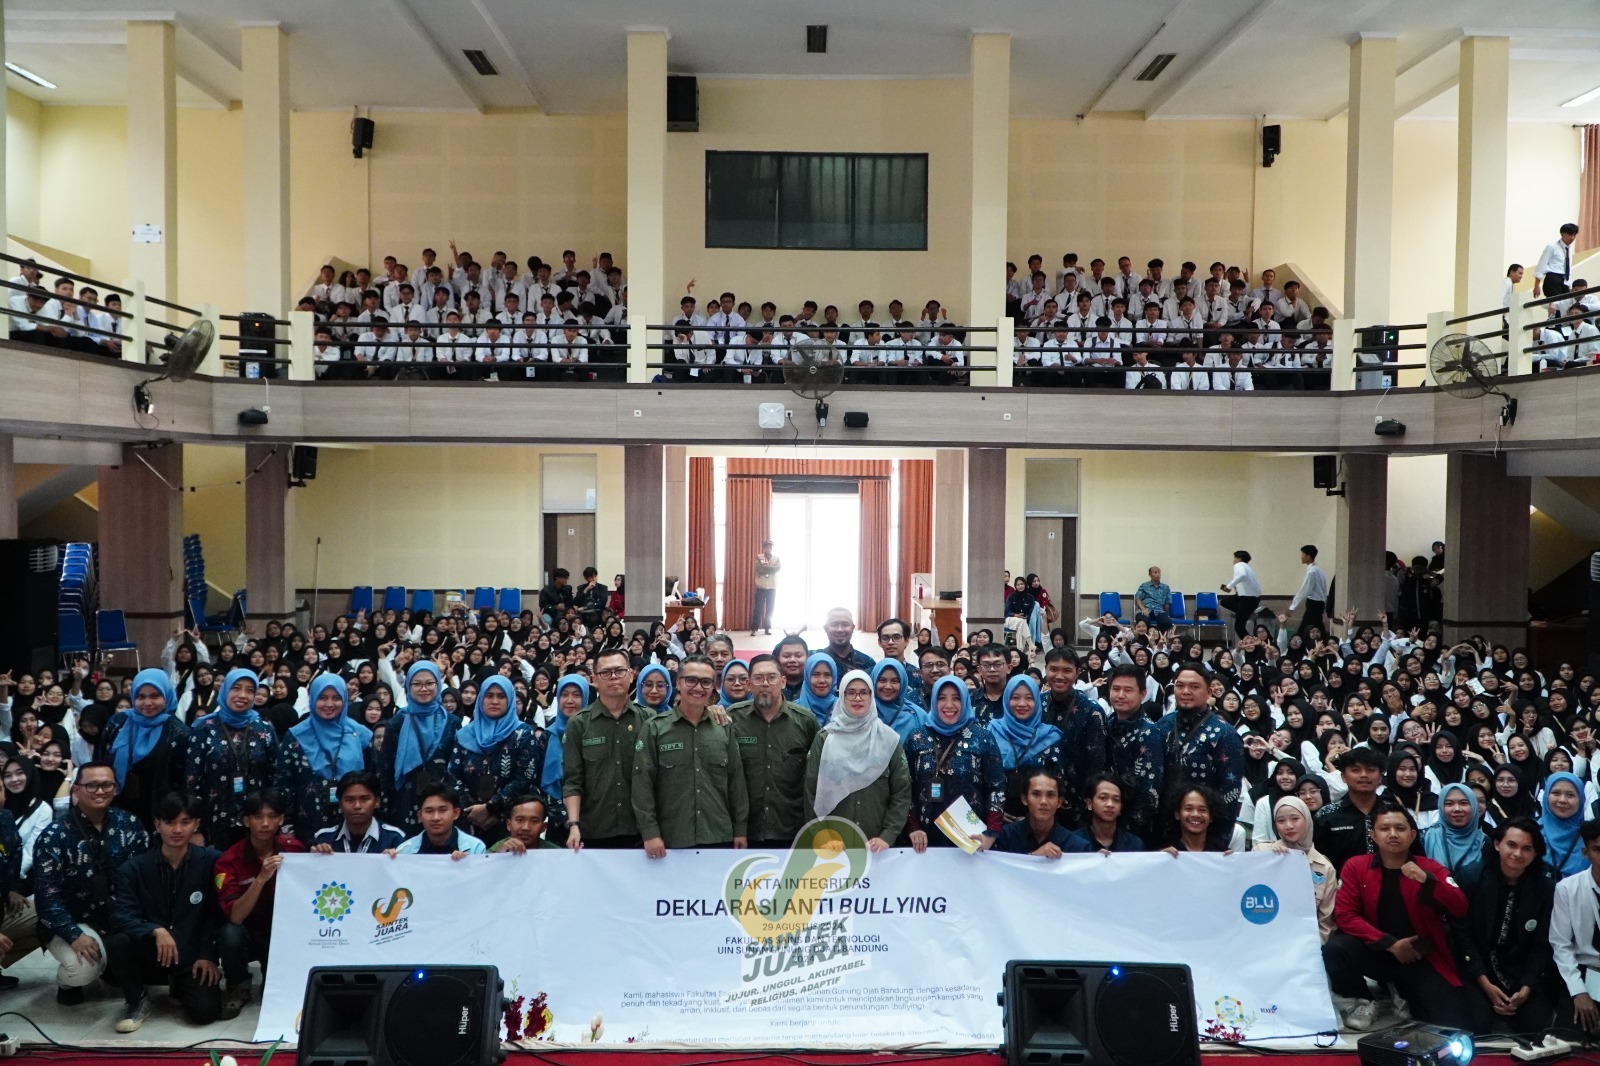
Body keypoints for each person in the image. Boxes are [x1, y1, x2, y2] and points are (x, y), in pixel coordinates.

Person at [1322, 801, 1470, 1031]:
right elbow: (1346, 916)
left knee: (1450, 1022)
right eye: (1384, 828)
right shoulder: (1356, 866)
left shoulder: (1430, 868)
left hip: (1418, 955)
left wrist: (1427, 881)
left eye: (1400, 828)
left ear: (1412, 835)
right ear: (1373, 835)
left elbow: (1460, 907)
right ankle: (1363, 1000)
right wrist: (1390, 944)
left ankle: (1399, 991)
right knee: (1335, 949)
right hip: (1376, 951)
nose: (1392, 834)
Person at [34, 762, 150, 1006]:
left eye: (107, 785)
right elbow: (47, 897)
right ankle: (66, 982)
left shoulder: (130, 824)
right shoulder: (53, 836)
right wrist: (73, 935)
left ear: (116, 788)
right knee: (83, 968)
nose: (100, 791)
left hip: (120, 917)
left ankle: (111, 963)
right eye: (92, 785)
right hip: (73, 920)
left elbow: (144, 878)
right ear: (76, 790)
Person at [107, 792, 223, 1032]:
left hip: (190, 954)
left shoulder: (213, 861)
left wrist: (207, 954)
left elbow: (215, 915)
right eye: (170, 822)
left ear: (196, 824)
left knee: (206, 1013)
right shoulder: (133, 868)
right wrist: (155, 930)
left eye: (185, 822)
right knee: (119, 941)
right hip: (150, 952)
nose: (177, 829)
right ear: (157, 825)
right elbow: (123, 916)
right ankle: (136, 999)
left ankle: (179, 985)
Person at [632, 655, 748, 856]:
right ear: (678, 683)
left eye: (706, 682)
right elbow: (642, 785)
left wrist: (740, 829)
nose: (698, 687)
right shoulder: (655, 728)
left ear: (713, 687)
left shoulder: (723, 727)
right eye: (691, 680)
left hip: (718, 835)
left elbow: (736, 780)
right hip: (671, 838)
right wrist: (650, 833)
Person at [1453, 817, 1556, 1035]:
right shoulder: (1470, 878)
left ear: (1536, 853)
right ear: (1497, 844)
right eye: (1511, 845)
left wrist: (1527, 988)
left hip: (1520, 970)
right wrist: (1485, 983)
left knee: (1539, 1028)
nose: (1518, 854)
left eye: (1527, 848)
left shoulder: (1545, 887)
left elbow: (1542, 944)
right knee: (1478, 1025)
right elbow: (1462, 936)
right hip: (1478, 969)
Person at [215, 789, 306, 1016]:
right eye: (257, 817)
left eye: (272, 816)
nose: (265, 824)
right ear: (246, 821)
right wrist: (261, 878)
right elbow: (236, 916)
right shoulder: (228, 860)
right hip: (246, 932)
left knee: (273, 1000)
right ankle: (238, 986)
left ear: (281, 820)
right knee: (229, 933)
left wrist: (321, 855)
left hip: (280, 933)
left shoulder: (294, 849)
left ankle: (276, 978)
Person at [806, 665, 909, 853]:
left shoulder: (888, 739)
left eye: (864, 692)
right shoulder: (825, 738)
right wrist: (822, 835)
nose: (858, 698)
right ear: (842, 696)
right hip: (833, 847)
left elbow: (901, 792)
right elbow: (811, 790)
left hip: (878, 849)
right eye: (851, 692)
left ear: (872, 696)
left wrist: (888, 835)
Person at [562, 648, 652, 851]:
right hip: (594, 830)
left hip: (640, 831)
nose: (613, 677)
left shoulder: (648, 719)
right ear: (594, 679)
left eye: (619, 671)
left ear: (631, 675)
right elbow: (573, 779)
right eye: (605, 672)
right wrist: (574, 825)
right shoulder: (579, 723)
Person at [904, 677, 1005, 851]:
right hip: (924, 841)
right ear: (934, 701)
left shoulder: (982, 738)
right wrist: (913, 827)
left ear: (965, 701)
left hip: (971, 839)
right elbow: (905, 788)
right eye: (942, 698)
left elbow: (996, 788)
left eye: (956, 698)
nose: (949, 705)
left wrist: (991, 832)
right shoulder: (916, 738)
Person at [184, 667, 279, 847]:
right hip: (213, 820)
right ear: (225, 689)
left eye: (249, 690)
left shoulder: (264, 730)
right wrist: (195, 828)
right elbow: (191, 782)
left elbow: (274, 777)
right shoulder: (204, 728)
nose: (242, 695)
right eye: (236, 688)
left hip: (256, 821)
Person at [1150, 667, 1243, 848]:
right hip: (1161, 833)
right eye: (1180, 686)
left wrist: (1217, 844)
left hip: (1204, 837)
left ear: (1209, 692)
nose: (1186, 691)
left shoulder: (1225, 734)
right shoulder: (1161, 726)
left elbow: (1229, 795)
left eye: (1194, 686)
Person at [732, 655, 819, 848]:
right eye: (758, 678)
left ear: (783, 682)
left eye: (771, 677)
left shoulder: (805, 721)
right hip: (746, 832)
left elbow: (817, 776)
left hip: (793, 829)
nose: (765, 684)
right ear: (749, 684)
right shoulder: (733, 719)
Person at [277, 674, 374, 845]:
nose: (329, 704)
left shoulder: (360, 735)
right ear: (313, 698)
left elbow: (373, 780)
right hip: (307, 828)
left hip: (355, 825)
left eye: (336, 698)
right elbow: (284, 785)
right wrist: (287, 827)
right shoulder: (295, 736)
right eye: (322, 698)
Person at [448, 675, 542, 848]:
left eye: (501, 696)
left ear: (510, 700)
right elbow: (453, 775)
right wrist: (473, 811)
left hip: (509, 823)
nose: (495, 701)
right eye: (489, 696)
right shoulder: (464, 735)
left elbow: (525, 778)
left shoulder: (522, 734)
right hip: (469, 821)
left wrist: (490, 808)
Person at [102, 668, 191, 830]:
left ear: (167, 696)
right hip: (117, 806)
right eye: (141, 696)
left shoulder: (179, 733)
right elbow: (101, 759)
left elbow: (182, 781)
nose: (147, 703)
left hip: (159, 813)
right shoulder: (117, 723)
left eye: (155, 696)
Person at [379, 661, 460, 835]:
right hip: (404, 803)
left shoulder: (452, 722)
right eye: (416, 684)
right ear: (408, 686)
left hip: (443, 802)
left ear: (438, 684)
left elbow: (456, 767)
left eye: (429, 683)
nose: (424, 689)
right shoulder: (397, 723)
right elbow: (385, 769)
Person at [1041, 651, 1109, 827]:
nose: (1059, 676)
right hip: (1038, 802)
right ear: (1045, 669)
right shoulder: (1035, 705)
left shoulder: (1091, 711)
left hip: (1076, 807)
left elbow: (1096, 765)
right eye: (1053, 669)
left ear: (1077, 673)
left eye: (1067, 670)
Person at [1253, 795, 1337, 941]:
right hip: (1264, 938)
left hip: (1304, 943)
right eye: (1281, 821)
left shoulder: (1324, 867)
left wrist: (1312, 948)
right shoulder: (1261, 852)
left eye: (1295, 819)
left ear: (1307, 819)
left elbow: (1326, 923)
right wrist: (1270, 859)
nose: (1288, 826)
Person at [1551, 820, 1600, 1039]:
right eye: (1597, 850)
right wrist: (1578, 991)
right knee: (1569, 1041)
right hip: (1584, 970)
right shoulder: (1567, 888)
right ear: (1585, 853)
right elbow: (1561, 944)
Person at [987, 675, 1062, 819]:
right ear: (1006, 699)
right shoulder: (991, 732)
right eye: (1015, 697)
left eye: (1029, 698)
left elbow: (1057, 783)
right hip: (996, 819)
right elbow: (982, 779)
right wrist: (995, 811)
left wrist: (1033, 817)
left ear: (1037, 701)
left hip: (1039, 821)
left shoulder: (1050, 737)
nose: (1022, 704)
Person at [1105, 665, 1162, 841]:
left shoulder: (1149, 733)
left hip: (1132, 831)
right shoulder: (1108, 724)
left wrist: (1129, 833)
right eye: (1116, 689)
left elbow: (1149, 792)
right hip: (1104, 820)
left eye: (1128, 690)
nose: (1120, 695)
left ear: (1142, 694)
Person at [1314, 746, 1385, 874]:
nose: (1364, 775)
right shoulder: (1326, 815)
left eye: (1370, 770)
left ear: (1380, 777)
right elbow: (1317, 861)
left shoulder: (1394, 813)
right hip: (1340, 885)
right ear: (1343, 777)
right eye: (1356, 770)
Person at [309, 771, 405, 853]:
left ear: (377, 802)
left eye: (364, 799)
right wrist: (315, 858)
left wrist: (393, 862)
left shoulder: (394, 839)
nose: (357, 806)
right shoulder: (323, 839)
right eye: (349, 800)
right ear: (340, 804)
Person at [985, 769, 1074, 856]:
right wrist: (1034, 856)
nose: (1043, 801)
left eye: (1050, 795)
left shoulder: (1075, 846)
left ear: (1059, 802)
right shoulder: (1005, 837)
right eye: (1036, 794)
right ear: (1024, 799)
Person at [391, 784, 487, 858]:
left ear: (456, 813)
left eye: (443, 810)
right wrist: (387, 861)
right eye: (429, 811)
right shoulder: (404, 851)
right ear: (420, 816)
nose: (436, 818)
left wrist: (466, 864)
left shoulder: (475, 848)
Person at [1064, 774, 1144, 854]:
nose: (1110, 804)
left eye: (1116, 800)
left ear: (1121, 808)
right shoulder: (1072, 842)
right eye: (1103, 798)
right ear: (1089, 803)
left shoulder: (1134, 844)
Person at [1421, 782, 1485, 878]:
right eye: (1449, 804)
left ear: (1474, 807)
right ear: (1441, 807)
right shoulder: (1425, 837)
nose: (1457, 809)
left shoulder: (1484, 842)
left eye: (1464, 803)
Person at [1540, 771, 1588, 877]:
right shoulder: (1532, 832)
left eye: (1570, 795)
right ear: (1546, 796)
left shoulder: (1589, 837)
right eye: (1556, 793)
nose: (1562, 800)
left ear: (1581, 800)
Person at [870, 659, 924, 741]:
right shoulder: (863, 714)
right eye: (882, 680)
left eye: (895, 681)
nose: (888, 686)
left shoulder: (917, 717)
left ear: (903, 683)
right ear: (873, 681)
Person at [1217, 549, 1263, 640]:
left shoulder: (1239, 565)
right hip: (1252, 598)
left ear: (1239, 559)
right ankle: (1248, 614)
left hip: (1247, 599)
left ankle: (1252, 644)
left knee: (1239, 627)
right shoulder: (1248, 568)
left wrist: (1229, 586)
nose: (1233, 560)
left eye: (1234, 558)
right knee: (1225, 602)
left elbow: (1242, 575)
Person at [491, 795, 560, 853]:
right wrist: (499, 857)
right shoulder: (495, 851)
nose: (526, 827)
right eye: (520, 820)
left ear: (543, 827)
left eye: (534, 821)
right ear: (509, 824)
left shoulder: (555, 853)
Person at [1288, 545, 1329, 637]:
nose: (1301, 557)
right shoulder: (1319, 571)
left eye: (1302, 554)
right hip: (1319, 604)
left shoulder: (1312, 572)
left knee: (1304, 630)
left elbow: (1304, 590)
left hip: (1313, 605)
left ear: (1308, 557)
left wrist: (1292, 607)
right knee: (1317, 627)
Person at [1533, 223, 1580, 300]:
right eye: (1570, 234)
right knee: (1554, 304)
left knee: (1565, 304)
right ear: (1562, 234)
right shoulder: (1552, 247)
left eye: (1574, 235)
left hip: (1564, 280)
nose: (1572, 238)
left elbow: (1568, 267)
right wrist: (1536, 286)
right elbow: (1541, 265)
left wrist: (1568, 284)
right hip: (1553, 278)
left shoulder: (1569, 249)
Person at [822, 608, 875, 675]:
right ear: (825, 628)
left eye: (845, 624)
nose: (840, 630)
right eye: (834, 624)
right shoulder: (815, 659)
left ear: (853, 628)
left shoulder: (867, 663)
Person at [795, 652, 839, 727]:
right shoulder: (794, 710)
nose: (822, 680)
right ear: (807, 677)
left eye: (827, 675)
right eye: (815, 674)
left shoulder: (843, 708)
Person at [752, 541, 780, 635]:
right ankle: (754, 629)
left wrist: (766, 568)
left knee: (770, 608)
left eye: (770, 547)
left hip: (772, 586)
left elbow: (777, 568)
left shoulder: (776, 558)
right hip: (761, 586)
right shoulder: (759, 557)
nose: (769, 548)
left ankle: (767, 628)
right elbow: (759, 569)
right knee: (758, 608)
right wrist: (770, 568)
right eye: (767, 547)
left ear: (772, 548)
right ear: (764, 548)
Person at [1133, 567, 1173, 631]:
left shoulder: (1166, 587)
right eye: (1155, 572)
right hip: (1146, 609)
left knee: (1166, 622)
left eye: (1159, 572)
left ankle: (1159, 636)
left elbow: (1167, 603)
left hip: (1159, 610)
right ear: (1150, 575)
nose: (1157, 574)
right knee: (1142, 622)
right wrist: (1143, 609)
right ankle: (1145, 637)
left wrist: (1165, 614)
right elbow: (1138, 598)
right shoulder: (1144, 586)